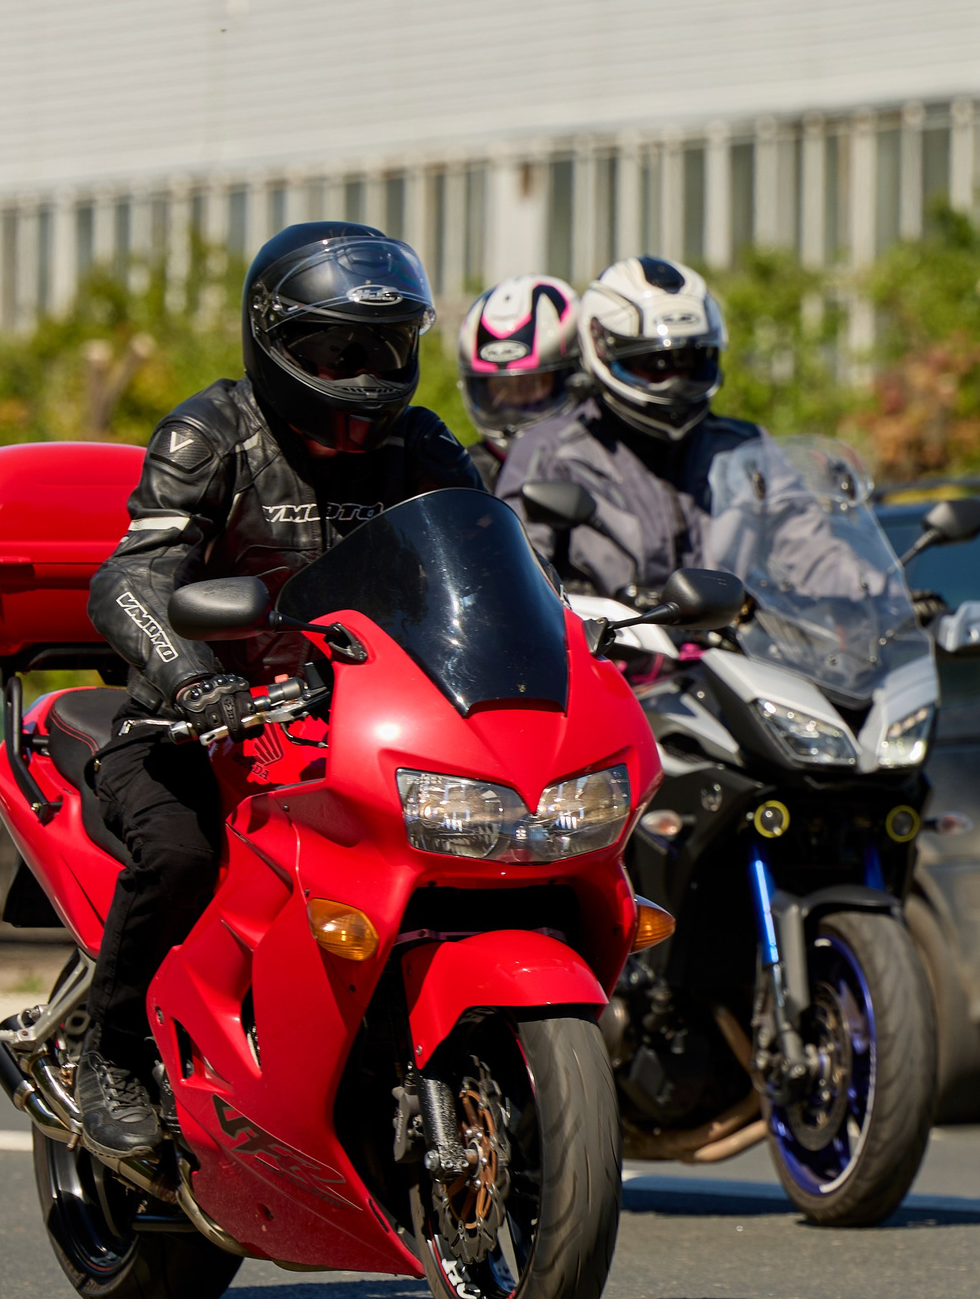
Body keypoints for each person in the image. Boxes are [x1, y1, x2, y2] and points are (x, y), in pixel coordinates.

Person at [77, 221, 480, 1154]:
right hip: (197, 723)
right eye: (334, 347)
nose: (361, 370)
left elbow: (491, 558)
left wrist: (566, 629)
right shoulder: (211, 431)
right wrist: (194, 681)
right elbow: (129, 578)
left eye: (382, 347)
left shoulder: (417, 443)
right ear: (270, 336)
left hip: (363, 722)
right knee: (178, 854)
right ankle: (116, 1048)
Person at [495, 256, 764, 599]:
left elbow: (814, 549)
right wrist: (585, 611)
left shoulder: (747, 449)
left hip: (735, 649)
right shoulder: (551, 452)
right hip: (611, 648)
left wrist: (851, 596)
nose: (674, 383)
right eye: (654, 365)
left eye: (689, 361)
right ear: (603, 350)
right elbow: (513, 580)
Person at [455, 275, 580, 488]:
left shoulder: (605, 466)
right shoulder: (459, 477)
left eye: (532, 384)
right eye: (502, 387)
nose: (516, 403)